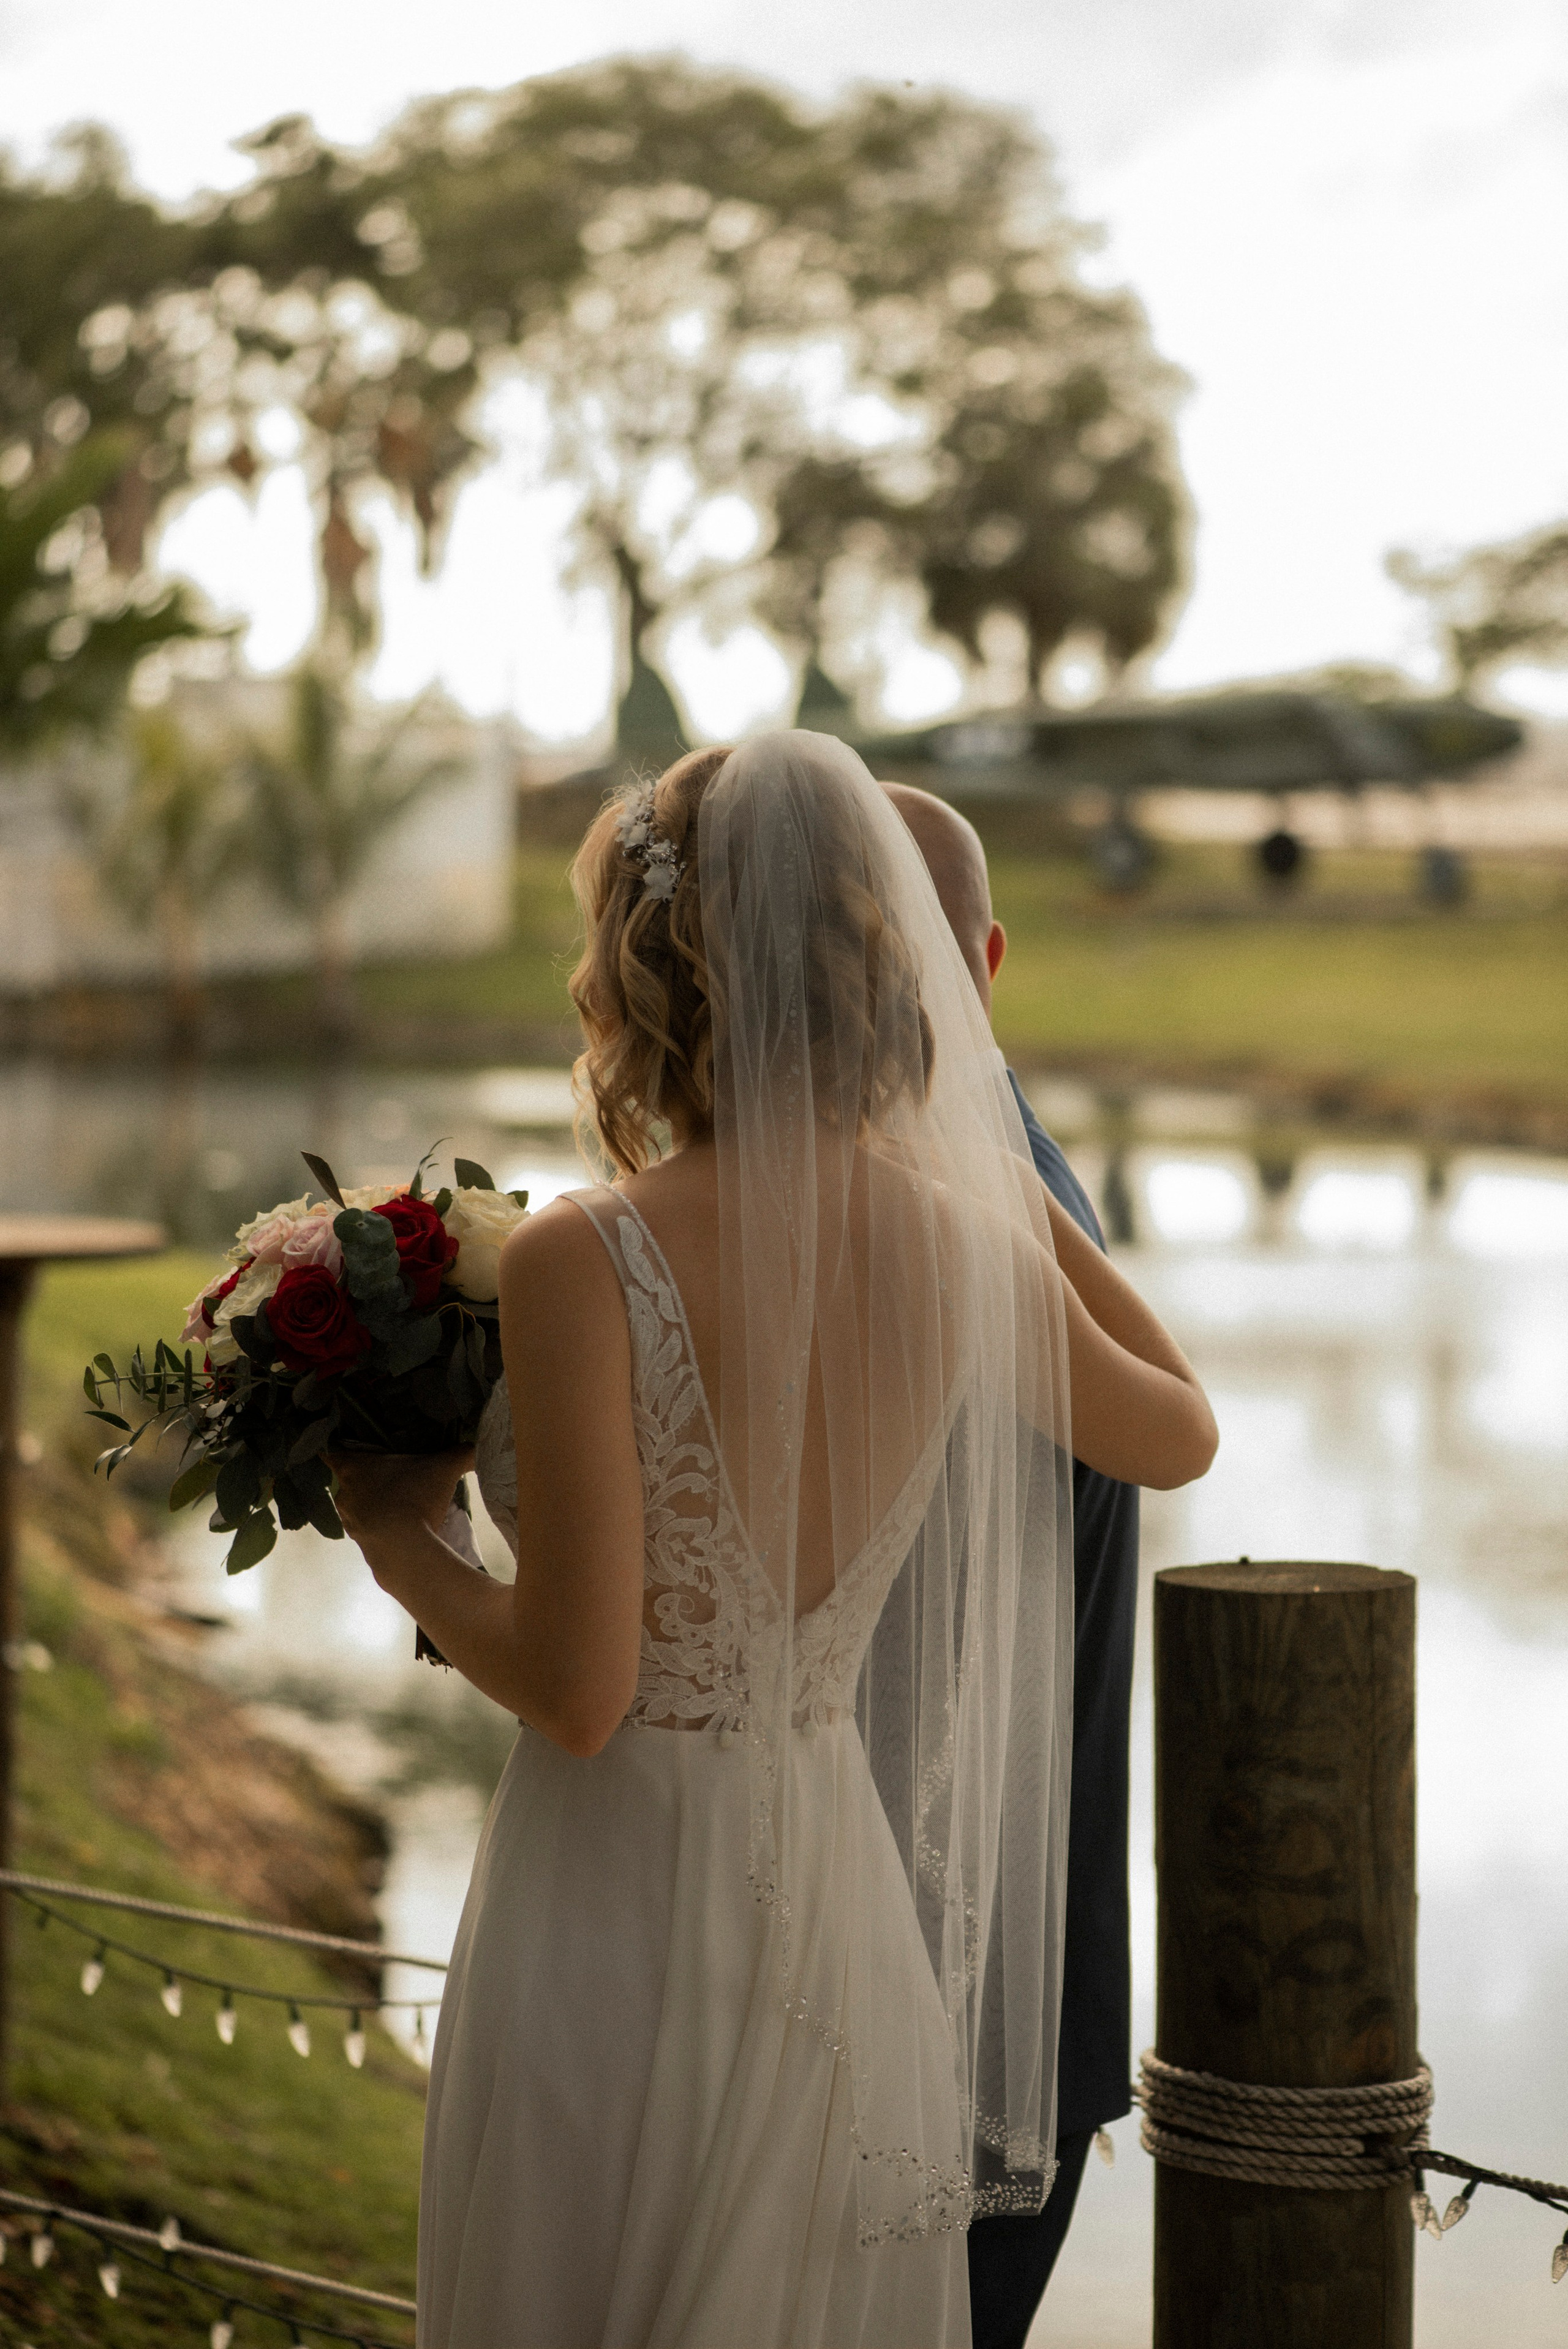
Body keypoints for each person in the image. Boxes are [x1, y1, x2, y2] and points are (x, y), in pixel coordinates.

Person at [333, 731, 1215, 2349]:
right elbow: (1183, 1427)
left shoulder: (582, 1255)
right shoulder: (958, 1240)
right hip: (844, 1908)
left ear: (653, 964)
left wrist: (402, 1539)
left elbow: (582, 1689)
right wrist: (1002, 1187)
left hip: (613, 1906)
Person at [883, 783, 1143, 2349]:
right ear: (988, 953)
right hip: (954, 1986)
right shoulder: (976, 1176)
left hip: (961, 2002)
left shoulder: (976, 1205)